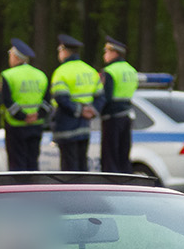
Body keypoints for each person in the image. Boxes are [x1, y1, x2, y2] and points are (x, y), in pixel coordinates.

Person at [0, 38, 50, 172]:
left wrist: (22, 116)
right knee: (33, 163)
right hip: (36, 125)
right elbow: (47, 101)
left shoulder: (7, 75)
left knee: (17, 166)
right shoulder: (41, 75)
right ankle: (33, 190)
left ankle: (19, 191)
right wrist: (37, 115)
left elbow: (6, 101)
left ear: (15, 56)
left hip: (16, 126)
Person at [49, 33, 101, 172]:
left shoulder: (61, 72)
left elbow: (61, 98)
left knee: (69, 169)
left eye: (59, 50)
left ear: (65, 51)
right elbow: (101, 97)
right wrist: (92, 111)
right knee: (82, 166)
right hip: (85, 127)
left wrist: (79, 110)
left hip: (66, 126)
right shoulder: (90, 71)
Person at [97, 34, 139, 176]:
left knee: (110, 158)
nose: (105, 55)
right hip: (126, 116)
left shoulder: (110, 71)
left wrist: (94, 111)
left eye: (106, 52)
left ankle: (111, 188)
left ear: (114, 52)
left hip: (112, 118)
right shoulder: (131, 70)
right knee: (123, 157)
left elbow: (106, 97)